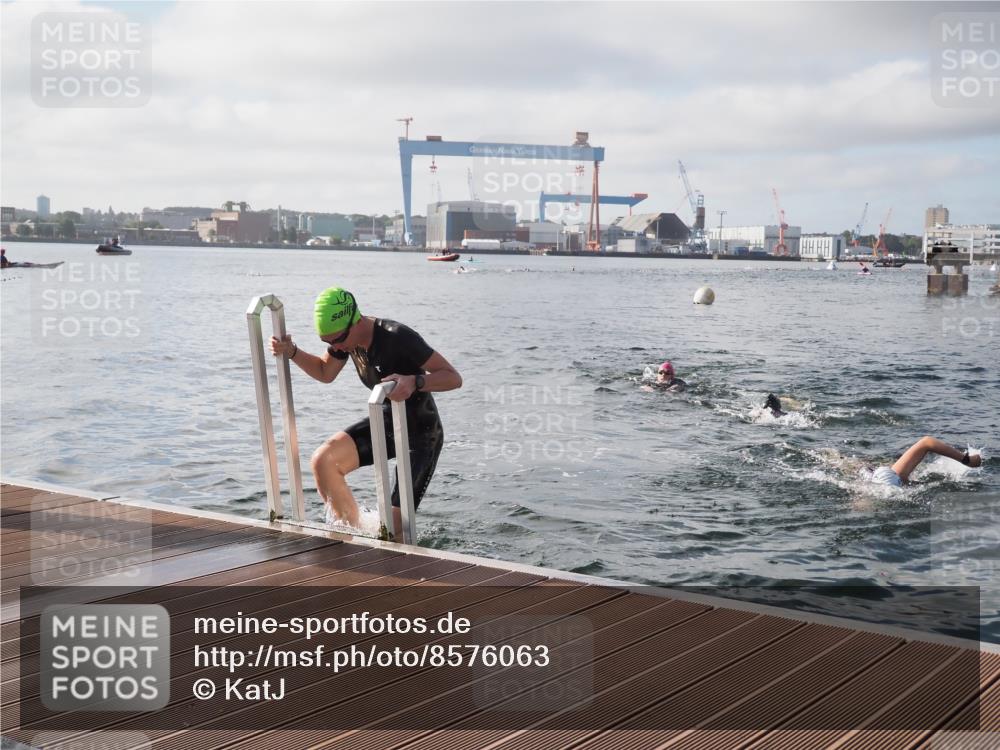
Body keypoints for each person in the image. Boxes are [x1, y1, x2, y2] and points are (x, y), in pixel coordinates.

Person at [269, 287, 462, 536]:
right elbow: (325, 372)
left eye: (337, 340)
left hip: (421, 434)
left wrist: (415, 381)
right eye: (327, 342)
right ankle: (352, 537)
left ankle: (397, 561)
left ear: (355, 320)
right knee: (323, 462)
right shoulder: (345, 340)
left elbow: (453, 378)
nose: (335, 347)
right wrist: (292, 352)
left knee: (393, 529)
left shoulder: (397, 337)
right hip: (386, 422)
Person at [870, 436, 982, 487]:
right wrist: (967, 459)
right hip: (885, 479)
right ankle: (968, 461)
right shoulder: (895, 476)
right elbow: (928, 442)